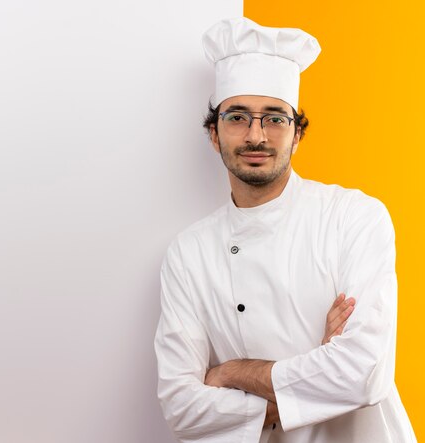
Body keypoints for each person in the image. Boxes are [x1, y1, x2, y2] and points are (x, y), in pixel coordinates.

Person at [154, 17, 416, 443]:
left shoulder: (354, 216)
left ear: (297, 135)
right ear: (213, 134)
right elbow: (180, 406)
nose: (256, 135)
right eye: (237, 116)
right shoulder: (189, 253)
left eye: (275, 118)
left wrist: (232, 373)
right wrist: (321, 368)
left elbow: (365, 373)